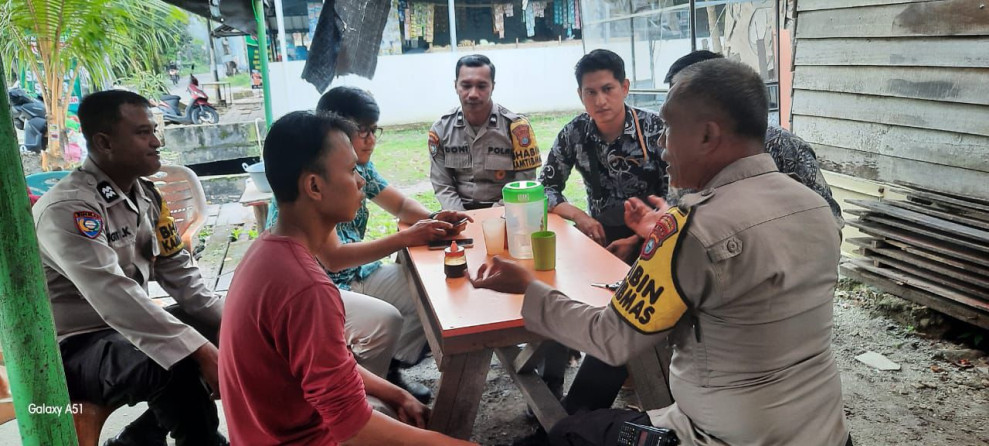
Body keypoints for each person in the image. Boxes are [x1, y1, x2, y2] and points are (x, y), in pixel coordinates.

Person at [473, 59, 850, 446]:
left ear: (707, 136)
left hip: (721, 435)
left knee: (570, 432)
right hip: (823, 430)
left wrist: (527, 286)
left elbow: (611, 338)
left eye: (669, 128)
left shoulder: (690, 230)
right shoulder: (816, 207)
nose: (661, 144)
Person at [219, 110, 475, 446]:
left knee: (398, 412)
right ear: (314, 186)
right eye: (352, 171)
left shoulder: (265, 251)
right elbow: (354, 430)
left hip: (261, 434)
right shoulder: (307, 288)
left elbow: (333, 369)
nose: (360, 181)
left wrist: (394, 393)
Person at [33, 90, 226, 446]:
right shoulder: (69, 210)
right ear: (105, 142)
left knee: (228, 334)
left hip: (123, 335)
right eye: (142, 133)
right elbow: (113, 296)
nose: (155, 142)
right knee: (174, 360)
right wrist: (198, 350)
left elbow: (182, 276)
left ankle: (136, 440)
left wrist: (232, 322)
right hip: (74, 347)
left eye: (153, 130)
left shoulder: (147, 196)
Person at [266, 87, 472, 403]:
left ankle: (387, 372)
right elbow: (332, 258)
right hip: (323, 284)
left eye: (373, 130)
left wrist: (434, 217)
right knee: (385, 319)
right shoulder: (315, 178)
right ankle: (362, 397)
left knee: (432, 296)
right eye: (361, 130)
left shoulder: (359, 167)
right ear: (334, 130)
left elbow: (400, 204)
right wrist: (406, 237)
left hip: (356, 273)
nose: (370, 139)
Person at [664, 50, 843, 225]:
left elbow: (831, 221)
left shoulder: (784, 146)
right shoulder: (681, 155)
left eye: (679, 98)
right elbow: (678, 218)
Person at [539, 49, 668, 263]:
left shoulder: (655, 129)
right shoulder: (574, 133)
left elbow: (677, 198)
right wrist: (579, 216)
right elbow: (545, 187)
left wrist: (637, 240)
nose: (600, 101)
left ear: (625, 87)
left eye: (607, 89)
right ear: (580, 94)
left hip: (656, 237)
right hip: (600, 239)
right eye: (591, 92)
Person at [429, 54, 542, 210]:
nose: (473, 94)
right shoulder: (441, 129)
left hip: (506, 213)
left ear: (492, 86)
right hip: (458, 213)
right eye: (466, 85)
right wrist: (462, 218)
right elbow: (443, 186)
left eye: (481, 86)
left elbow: (523, 186)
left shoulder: (517, 129)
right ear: (456, 86)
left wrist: (491, 217)